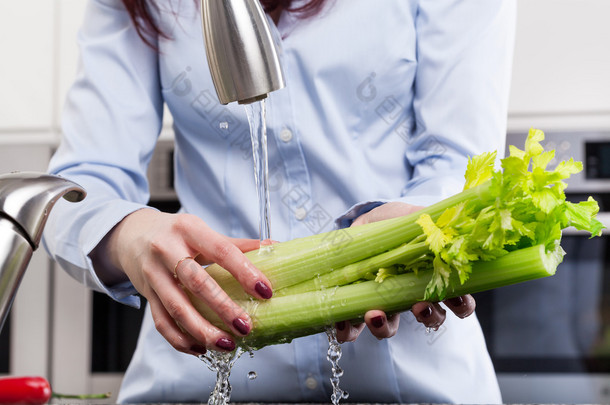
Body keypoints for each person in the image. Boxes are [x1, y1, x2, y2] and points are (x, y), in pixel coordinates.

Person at [42, 0, 516, 403]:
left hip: (414, 381)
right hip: (200, 377)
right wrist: (129, 235)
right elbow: (79, 182)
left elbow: (460, 162)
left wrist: (403, 232)